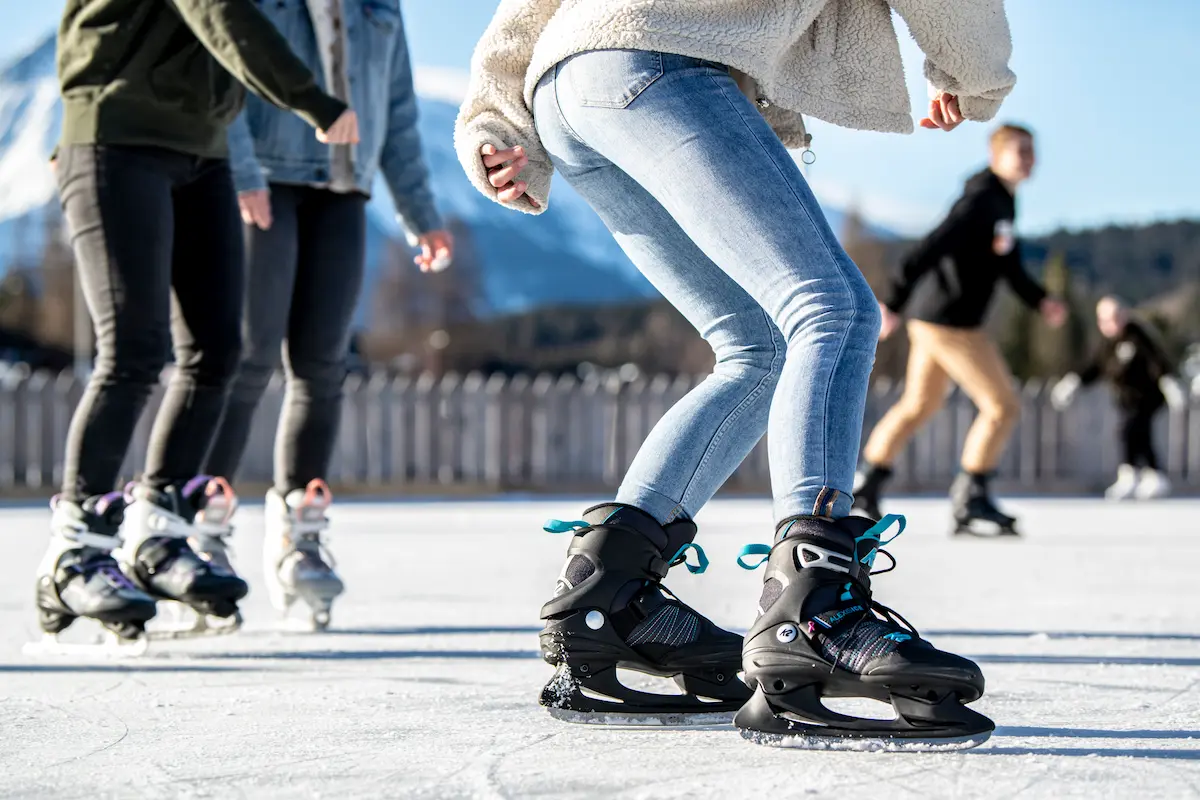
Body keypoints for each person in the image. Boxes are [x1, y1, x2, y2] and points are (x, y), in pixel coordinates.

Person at [457, 0, 1018, 749]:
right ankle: (815, 614)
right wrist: (974, 74)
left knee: (759, 347)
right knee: (833, 309)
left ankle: (608, 598)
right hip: (660, 65)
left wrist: (494, 114)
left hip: (571, 84)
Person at [34, 0, 359, 649]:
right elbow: (219, 11)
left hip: (202, 150)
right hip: (114, 136)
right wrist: (313, 102)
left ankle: (159, 532)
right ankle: (73, 554)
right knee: (133, 349)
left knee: (216, 350)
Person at [202, 1, 452, 631]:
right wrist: (239, 168)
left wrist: (419, 211)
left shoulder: (380, 8)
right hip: (267, 176)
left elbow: (395, 110)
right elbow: (226, 67)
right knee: (249, 357)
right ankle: (200, 522)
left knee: (322, 364)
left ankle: (300, 535)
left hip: (346, 188)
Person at [853, 125, 1068, 536]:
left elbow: (1008, 264)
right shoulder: (982, 199)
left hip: (935, 321)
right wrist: (894, 300)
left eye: (1031, 152)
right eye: (1020, 151)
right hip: (951, 324)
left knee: (920, 404)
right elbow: (932, 244)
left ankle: (866, 487)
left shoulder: (1002, 202)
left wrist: (1041, 300)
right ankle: (971, 497)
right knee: (1002, 405)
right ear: (996, 155)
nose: (1029, 159)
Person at [1051, 297, 1185, 500]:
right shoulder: (1107, 343)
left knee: (1130, 429)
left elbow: (1156, 359)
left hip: (1147, 397)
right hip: (1125, 398)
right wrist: (1073, 382)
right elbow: (1094, 367)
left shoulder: (1136, 335)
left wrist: (1168, 382)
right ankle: (1148, 473)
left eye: (1114, 318)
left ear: (1123, 315)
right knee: (1136, 434)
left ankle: (1137, 473)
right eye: (1104, 320)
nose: (1110, 324)